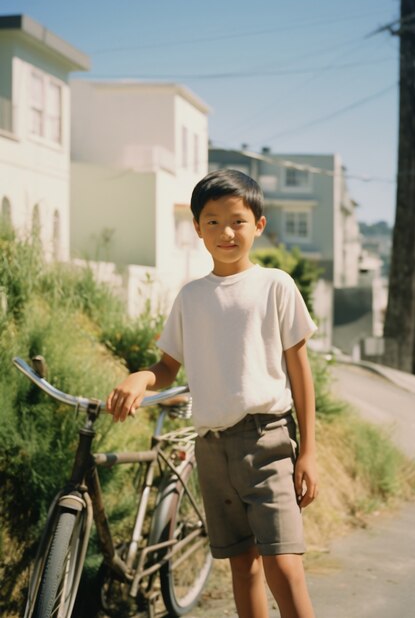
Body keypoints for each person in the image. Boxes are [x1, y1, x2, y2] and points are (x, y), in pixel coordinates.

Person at [107, 169, 319, 618]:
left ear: (258, 225)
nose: (226, 232)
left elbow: (300, 373)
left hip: (267, 442)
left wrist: (309, 453)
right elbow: (167, 367)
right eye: (213, 221)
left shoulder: (275, 285)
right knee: (242, 566)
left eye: (238, 221)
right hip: (211, 448)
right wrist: (139, 378)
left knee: (284, 566)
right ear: (198, 229)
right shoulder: (190, 297)